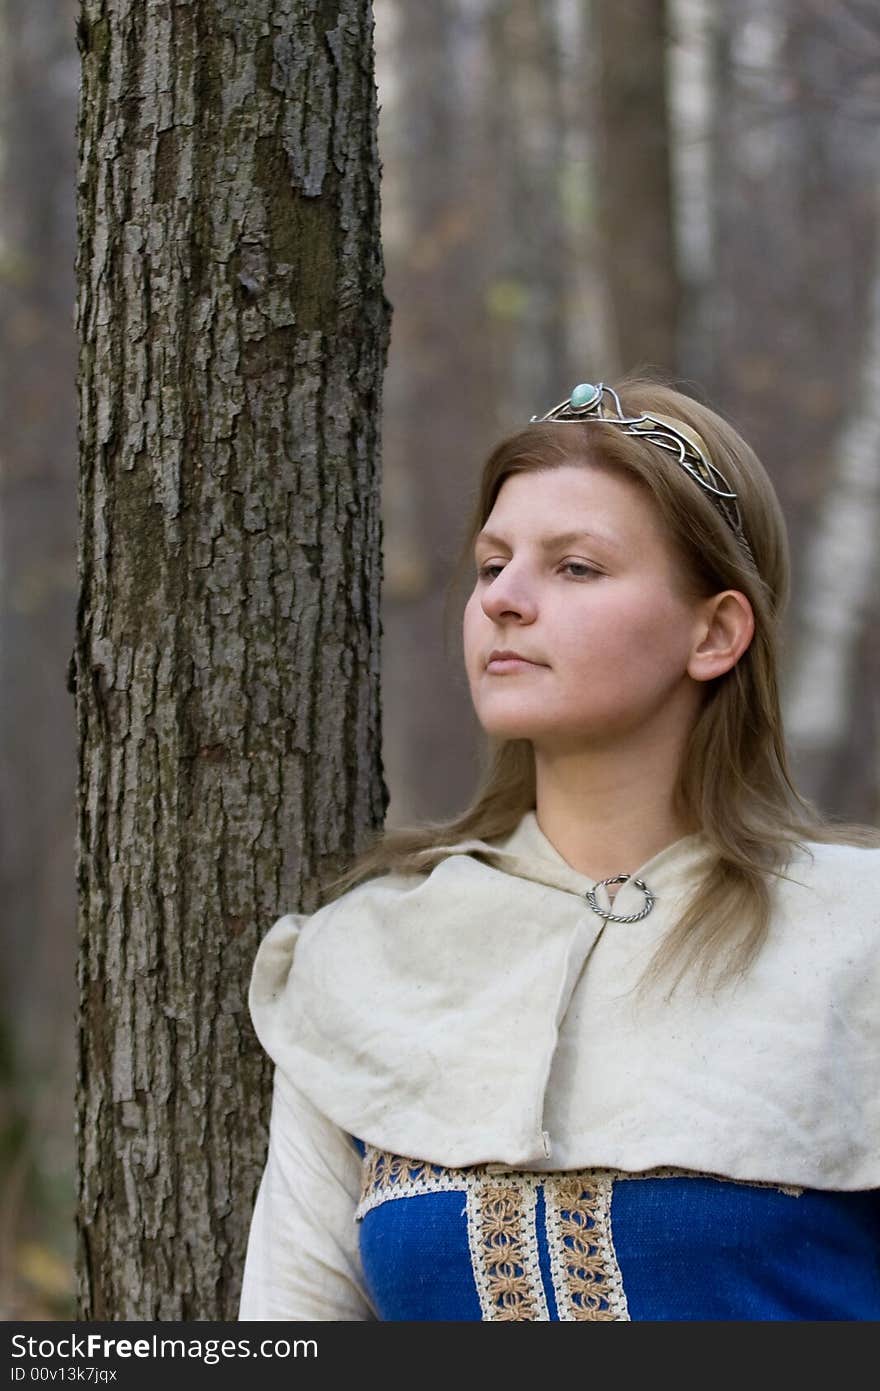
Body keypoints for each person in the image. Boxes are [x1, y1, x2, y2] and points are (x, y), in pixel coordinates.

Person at [238, 374, 880, 1321]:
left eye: (575, 566)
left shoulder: (857, 937)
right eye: (493, 564)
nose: (505, 598)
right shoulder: (363, 959)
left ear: (715, 631)